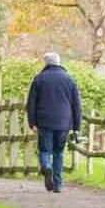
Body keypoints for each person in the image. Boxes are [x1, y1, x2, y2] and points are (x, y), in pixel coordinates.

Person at [26, 51, 82, 193]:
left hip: (44, 121)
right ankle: (58, 184)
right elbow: (76, 105)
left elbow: (31, 103)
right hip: (64, 121)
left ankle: (46, 167)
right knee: (59, 152)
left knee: (45, 150)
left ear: (46, 63)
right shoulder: (70, 79)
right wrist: (77, 126)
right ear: (59, 62)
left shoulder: (39, 79)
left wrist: (31, 121)